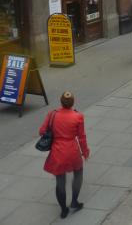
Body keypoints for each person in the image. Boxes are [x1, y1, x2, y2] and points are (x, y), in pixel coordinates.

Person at [39, 91, 89, 219]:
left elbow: (42, 131)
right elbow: (82, 137)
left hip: (57, 152)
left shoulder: (52, 114)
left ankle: (63, 210)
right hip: (73, 151)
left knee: (60, 181)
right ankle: (74, 201)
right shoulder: (78, 116)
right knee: (78, 173)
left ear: (61, 102)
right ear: (73, 102)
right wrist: (85, 152)